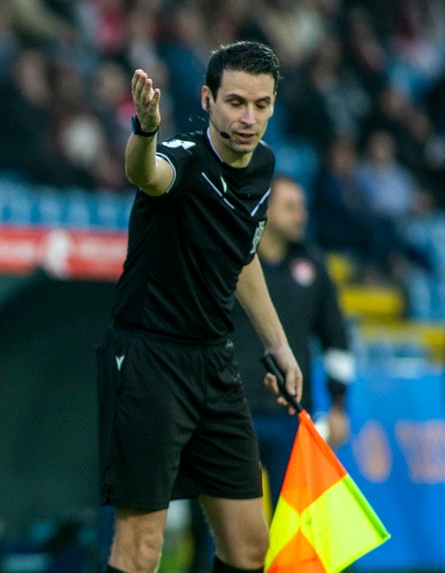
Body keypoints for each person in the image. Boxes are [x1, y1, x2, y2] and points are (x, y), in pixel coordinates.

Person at [96, 41, 303, 573]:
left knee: (250, 548)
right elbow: (147, 174)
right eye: (235, 102)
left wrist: (279, 346)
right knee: (142, 548)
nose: (248, 117)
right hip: (149, 361)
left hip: (215, 364)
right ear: (208, 99)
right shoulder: (184, 158)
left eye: (261, 104)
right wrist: (145, 130)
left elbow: (242, 254)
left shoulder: (264, 167)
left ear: (274, 105)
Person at [187, 174, 355, 573]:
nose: (302, 214)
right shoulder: (227, 259)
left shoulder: (313, 264)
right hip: (228, 415)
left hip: (290, 417)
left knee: (298, 535)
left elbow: (336, 340)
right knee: (214, 531)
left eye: (302, 205)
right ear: (265, 210)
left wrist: (338, 405)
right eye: (290, 206)